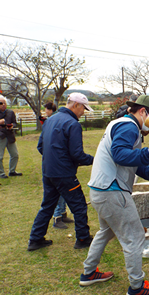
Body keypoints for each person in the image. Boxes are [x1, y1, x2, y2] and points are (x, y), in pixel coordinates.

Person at [80, 95, 149, 295]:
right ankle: (137, 286)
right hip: (112, 191)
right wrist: (147, 153)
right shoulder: (129, 127)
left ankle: (89, 273)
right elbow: (119, 154)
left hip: (100, 190)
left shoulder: (122, 124)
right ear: (143, 112)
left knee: (106, 232)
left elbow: (129, 160)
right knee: (134, 237)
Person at [28, 93, 94, 251]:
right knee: (79, 206)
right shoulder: (73, 124)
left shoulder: (50, 120)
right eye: (83, 108)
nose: (83, 112)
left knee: (47, 206)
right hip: (64, 174)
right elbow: (77, 154)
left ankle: (35, 239)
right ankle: (83, 238)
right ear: (76, 105)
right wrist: (96, 160)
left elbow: (40, 147)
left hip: (48, 172)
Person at [40, 102, 75, 229]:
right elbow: (41, 146)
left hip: (54, 165)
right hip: (57, 167)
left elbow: (41, 146)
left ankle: (62, 213)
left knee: (62, 192)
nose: (45, 112)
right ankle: (57, 217)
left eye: (46, 110)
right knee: (56, 193)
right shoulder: (54, 122)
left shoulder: (53, 121)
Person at [0, 95, 22, 179]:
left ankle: (12, 171)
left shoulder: (10, 112)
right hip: (1, 136)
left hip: (10, 136)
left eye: (4, 103)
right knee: (0, 157)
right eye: (1, 103)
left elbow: (15, 123)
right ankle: (1, 173)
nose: (3, 105)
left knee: (15, 155)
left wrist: (12, 126)